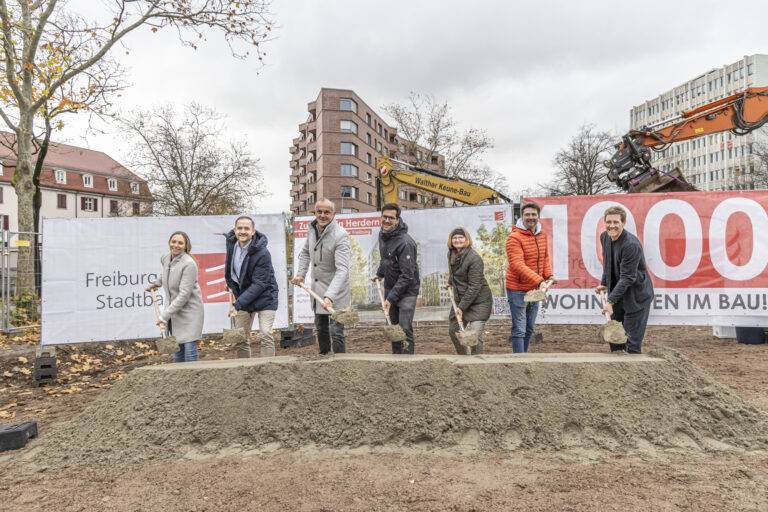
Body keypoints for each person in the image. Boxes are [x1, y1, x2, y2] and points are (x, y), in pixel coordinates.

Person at [291, 198, 351, 354]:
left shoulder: (340, 235)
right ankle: (324, 359)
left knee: (336, 331)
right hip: (318, 290)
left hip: (336, 292)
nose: (322, 215)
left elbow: (342, 270)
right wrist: (301, 274)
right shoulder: (312, 230)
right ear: (315, 212)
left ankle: (341, 363)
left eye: (327, 212)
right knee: (321, 328)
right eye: (319, 212)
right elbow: (305, 252)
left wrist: (330, 296)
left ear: (333, 214)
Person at [596, 206, 654, 354]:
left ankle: (633, 365)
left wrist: (610, 301)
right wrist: (604, 283)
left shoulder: (630, 245)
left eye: (616, 222)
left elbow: (628, 277)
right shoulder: (604, 237)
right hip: (619, 293)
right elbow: (608, 262)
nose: (612, 226)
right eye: (608, 222)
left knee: (631, 344)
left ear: (623, 223)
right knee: (615, 342)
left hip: (636, 296)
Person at [224, 216, 279, 358]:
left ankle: (269, 367)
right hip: (243, 297)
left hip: (265, 297)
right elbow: (232, 270)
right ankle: (244, 368)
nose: (243, 231)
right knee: (241, 337)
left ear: (253, 231)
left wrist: (237, 304)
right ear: (235, 230)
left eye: (246, 228)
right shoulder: (232, 245)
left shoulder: (262, 252)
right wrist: (230, 284)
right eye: (239, 228)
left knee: (265, 334)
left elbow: (260, 284)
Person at [147, 231, 204, 363]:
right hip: (174, 312)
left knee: (189, 353)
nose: (176, 245)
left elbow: (184, 295)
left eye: (180, 243)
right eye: (173, 242)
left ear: (185, 246)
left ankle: (194, 376)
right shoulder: (166, 258)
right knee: (177, 355)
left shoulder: (189, 264)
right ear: (169, 242)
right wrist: (156, 283)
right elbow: (166, 273)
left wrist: (164, 316)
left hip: (190, 313)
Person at [505, 202, 554, 353]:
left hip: (534, 289)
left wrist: (549, 275)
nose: (530, 217)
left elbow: (545, 258)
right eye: (527, 214)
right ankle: (518, 361)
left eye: (534, 214)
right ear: (522, 217)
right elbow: (517, 264)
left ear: (538, 216)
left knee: (529, 328)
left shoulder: (542, 235)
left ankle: (524, 357)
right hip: (517, 289)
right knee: (519, 328)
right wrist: (540, 280)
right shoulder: (514, 238)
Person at [374, 203, 420, 354]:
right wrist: (380, 273)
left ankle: (407, 362)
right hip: (390, 287)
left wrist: (391, 298)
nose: (387, 220)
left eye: (391, 218)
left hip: (407, 291)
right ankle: (396, 360)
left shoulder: (405, 242)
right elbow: (385, 259)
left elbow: (407, 275)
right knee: (393, 328)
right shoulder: (382, 235)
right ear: (381, 217)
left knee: (404, 328)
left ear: (397, 220)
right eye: (384, 217)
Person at [446, 227, 493, 355]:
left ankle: (476, 361)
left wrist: (461, 307)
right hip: (461, 299)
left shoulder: (474, 258)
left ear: (466, 239)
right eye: (455, 238)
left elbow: (475, 286)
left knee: (474, 335)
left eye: (461, 237)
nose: (457, 240)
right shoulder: (451, 254)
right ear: (451, 240)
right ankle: (464, 357)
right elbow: (455, 272)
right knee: (454, 331)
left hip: (479, 302)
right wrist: (450, 281)